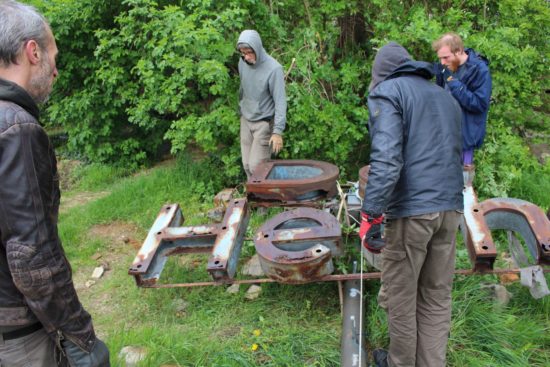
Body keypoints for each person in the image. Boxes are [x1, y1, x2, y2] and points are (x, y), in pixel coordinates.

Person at [0, 1, 109, 366]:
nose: (57, 70)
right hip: (17, 335)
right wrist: (81, 336)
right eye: (53, 56)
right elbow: (33, 256)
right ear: (33, 52)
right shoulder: (18, 129)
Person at [359, 42, 464, 367]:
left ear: (381, 73)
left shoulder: (387, 92)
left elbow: (387, 160)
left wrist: (371, 213)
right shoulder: (445, 96)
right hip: (450, 209)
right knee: (435, 294)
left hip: (413, 213)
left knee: (402, 297)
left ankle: (399, 363)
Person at [433, 32, 492, 166]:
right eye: (440, 58)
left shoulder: (479, 70)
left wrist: (453, 83)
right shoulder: (447, 67)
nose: (442, 62)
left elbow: (479, 104)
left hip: (465, 140)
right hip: (445, 136)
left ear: (458, 51)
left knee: (464, 183)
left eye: (446, 57)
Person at [236, 29, 287, 178]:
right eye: (242, 53)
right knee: (246, 165)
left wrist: (277, 132)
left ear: (257, 48)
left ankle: (266, 198)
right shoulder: (242, 62)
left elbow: (280, 102)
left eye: (249, 52)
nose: (246, 57)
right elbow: (243, 87)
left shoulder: (274, 69)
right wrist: (241, 110)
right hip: (246, 120)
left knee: (257, 167)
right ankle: (253, 199)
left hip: (263, 124)